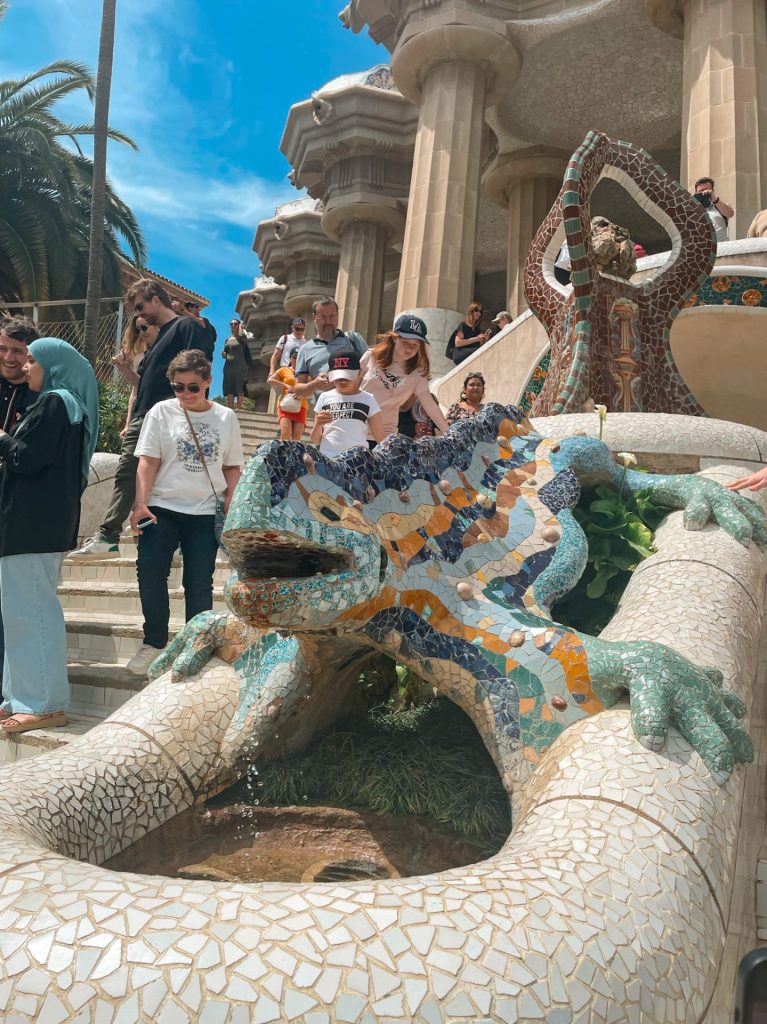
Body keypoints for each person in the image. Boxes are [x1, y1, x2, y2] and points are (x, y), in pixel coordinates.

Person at [71, 278, 215, 560]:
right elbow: (143, 385)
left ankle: (167, 538)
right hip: (144, 415)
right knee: (129, 473)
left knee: (161, 477)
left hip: (170, 415)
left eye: (140, 307)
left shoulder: (185, 327)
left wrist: (191, 413)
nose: (138, 315)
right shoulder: (158, 340)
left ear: (156, 300)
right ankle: (111, 536)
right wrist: (127, 373)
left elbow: (200, 369)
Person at [0, 338, 98, 734]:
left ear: (53, 365)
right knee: (20, 614)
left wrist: (2, 437)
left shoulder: (57, 402)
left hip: (33, 527)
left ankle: (43, 704)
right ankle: (17, 699)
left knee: (33, 613)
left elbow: (27, 458)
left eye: (32, 360)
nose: (25, 367)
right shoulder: (62, 404)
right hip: (29, 527)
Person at [127, 350, 244, 675]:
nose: (186, 394)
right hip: (161, 507)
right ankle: (154, 642)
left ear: (208, 382)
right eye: (179, 387)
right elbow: (147, 460)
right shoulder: (161, 412)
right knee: (150, 571)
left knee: (198, 582)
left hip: (204, 511)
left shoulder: (226, 418)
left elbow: (232, 466)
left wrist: (232, 498)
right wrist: (140, 503)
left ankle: (196, 645)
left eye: (193, 387)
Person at [0, 315, 40, 694]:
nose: (9, 358)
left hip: (16, 511)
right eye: (3, 349)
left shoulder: (40, 396)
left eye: (17, 351)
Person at [359, 314, 448, 440]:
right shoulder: (371, 356)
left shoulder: (417, 374)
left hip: (385, 438)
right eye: (405, 342)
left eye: (415, 345)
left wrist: (450, 434)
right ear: (394, 338)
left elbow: (430, 406)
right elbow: (351, 386)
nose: (410, 349)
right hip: (356, 430)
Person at [311, 351, 385, 457]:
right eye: (338, 377)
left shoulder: (368, 399)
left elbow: (380, 436)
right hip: (329, 458)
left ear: (359, 373)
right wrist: (318, 424)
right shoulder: (324, 397)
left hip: (357, 460)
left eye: (348, 376)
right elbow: (315, 440)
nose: (343, 381)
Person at [291, 298, 367, 400]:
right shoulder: (305, 349)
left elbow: (372, 371)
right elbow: (298, 391)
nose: (328, 321)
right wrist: (315, 384)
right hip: (326, 407)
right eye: (323, 317)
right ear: (314, 318)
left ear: (337, 316)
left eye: (332, 316)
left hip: (356, 404)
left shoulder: (353, 339)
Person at [112, 313, 159, 436]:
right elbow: (136, 391)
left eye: (144, 327)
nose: (141, 333)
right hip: (141, 415)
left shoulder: (170, 352)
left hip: (162, 416)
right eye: (137, 330)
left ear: (157, 326)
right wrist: (128, 424)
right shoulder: (140, 357)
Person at [267, 349, 308, 440]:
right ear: (290, 358)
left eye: (299, 357)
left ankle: (293, 450)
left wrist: (302, 393)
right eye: (294, 357)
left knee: (297, 435)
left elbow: (311, 387)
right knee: (286, 432)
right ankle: (283, 449)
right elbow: (270, 380)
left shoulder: (306, 373)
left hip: (301, 404)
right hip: (285, 403)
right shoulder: (284, 370)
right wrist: (285, 385)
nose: (296, 360)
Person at [222, 318, 253, 410]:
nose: (233, 325)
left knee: (239, 386)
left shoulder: (242, 338)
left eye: (235, 324)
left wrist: (241, 328)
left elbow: (244, 336)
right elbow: (225, 352)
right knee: (229, 387)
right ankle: (229, 409)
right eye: (231, 324)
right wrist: (224, 354)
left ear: (238, 325)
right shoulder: (227, 339)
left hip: (240, 366)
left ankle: (239, 409)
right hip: (228, 366)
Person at [692, 177, 734, 243]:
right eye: (701, 191)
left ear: (712, 191)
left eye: (707, 190)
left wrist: (715, 200)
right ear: (696, 193)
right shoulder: (691, 210)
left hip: (721, 246)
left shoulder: (719, 206)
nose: (704, 193)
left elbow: (730, 214)